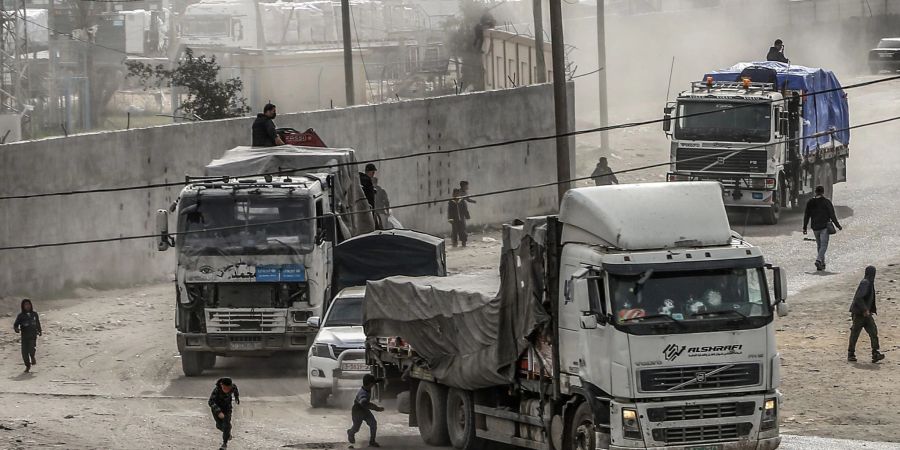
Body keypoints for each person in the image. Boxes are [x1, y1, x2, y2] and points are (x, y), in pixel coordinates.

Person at [848, 266, 885, 363]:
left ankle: (875, 353)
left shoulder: (869, 283)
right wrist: (865, 309)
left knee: (873, 332)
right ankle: (851, 353)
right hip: (859, 314)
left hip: (866, 314)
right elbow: (859, 298)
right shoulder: (866, 283)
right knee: (855, 334)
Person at [802, 185, 842, 271]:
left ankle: (822, 264)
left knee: (819, 245)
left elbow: (806, 215)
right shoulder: (826, 202)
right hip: (824, 227)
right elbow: (832, 215)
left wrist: (804, 227)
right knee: (824, 245)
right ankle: (819, 260)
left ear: (815, 192)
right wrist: (838, 225)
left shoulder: (810, 202)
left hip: (815, 227)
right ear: (823, 192)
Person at [347, 374, 384, 448]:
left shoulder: (367, 386)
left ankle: (372, 441)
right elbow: (364, 403)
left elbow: (375, 381)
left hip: (364, 409)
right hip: (357, 410)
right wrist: (377, 408)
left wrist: (383, 379)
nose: (374, 385)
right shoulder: (363, 394)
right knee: (356, 428)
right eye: (373, 383)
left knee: (373, 423)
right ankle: (350, 432)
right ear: (370, 384)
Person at [208, 377, 241, 450]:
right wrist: (218, 412)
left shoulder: (232, 387)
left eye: (228, 389)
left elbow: (235, 389)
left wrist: (236, 397)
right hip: (217, 409)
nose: (226, 390)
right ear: (221, 385)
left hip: (227, 409)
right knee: (219, 425)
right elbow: (210, 402)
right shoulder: (216, 390)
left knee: (226, 424)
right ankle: (227, 433)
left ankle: (224, 444)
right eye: (225, 388)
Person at [13, 299, 42, 373]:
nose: (27, 306)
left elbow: (38, 323)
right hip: (24, 336)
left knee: (31, 348)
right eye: (25, 305)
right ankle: (27, 366)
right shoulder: (20, 316)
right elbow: (16, 324)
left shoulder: (34, 314)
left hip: (33, 335)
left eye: (28, 304)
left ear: (31, 305)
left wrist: (40, 330)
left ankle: (32, 357)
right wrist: (16, 329)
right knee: (24, 353)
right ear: (23, 306)